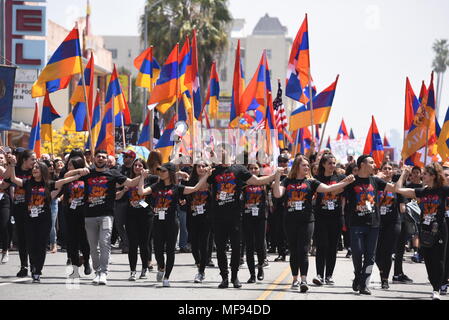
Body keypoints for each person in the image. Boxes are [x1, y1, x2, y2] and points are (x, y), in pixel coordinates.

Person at [273, 155, 354, 293]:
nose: (306, 167)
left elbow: (328, 189)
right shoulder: (287, 181)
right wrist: (276, 177)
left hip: (307, 220)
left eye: (307, 166)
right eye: (304, 165)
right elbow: (277, 194)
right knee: (294, 251)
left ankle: (304, 280)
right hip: (290, 221)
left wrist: (345, 182)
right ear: (297, 167)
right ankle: (295, 279)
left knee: (304, 250)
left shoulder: (311, 181)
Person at [208, 143, 281, 289]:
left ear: (228, 152)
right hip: (218, 216)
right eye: (216, 151)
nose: (217, 153)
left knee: (236, 247)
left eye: (219, 150)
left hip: (235, 215)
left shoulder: (239, 169)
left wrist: (275, 175)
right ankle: (224, 277)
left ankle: (234, 277)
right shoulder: (214, 171)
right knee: (221, 248)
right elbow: (201, 185)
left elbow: (257, 181)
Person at [66, 150, 141, 286]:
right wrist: (80, 170)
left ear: (107, 160)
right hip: (89, 215)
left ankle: (104, 273)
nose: (101, 159)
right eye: (98, 156)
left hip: (106, 215)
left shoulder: (113, 173)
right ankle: (97, 271)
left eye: (103, 157)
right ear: (94, 159)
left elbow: (130, 183)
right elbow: (66, 175)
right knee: (93, 247)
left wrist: (143, 176)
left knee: (104, 243)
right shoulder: (88, 173)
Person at [7, 157, 85, 282]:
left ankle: (37, 271)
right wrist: (12, 164)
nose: (34, 169)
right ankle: (33, 265)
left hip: (44, 220)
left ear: (43, 170)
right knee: (32, 245)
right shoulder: (27, 183)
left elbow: (63, 181)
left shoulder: (48, 184)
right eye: (33, 168)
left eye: (37, 168)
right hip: (29, 219)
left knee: (41, 245)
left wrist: (77, 176)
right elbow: (13, 179)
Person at [138, 162, 212, 287]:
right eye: (160, 171)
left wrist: (206, 176)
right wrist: (141, 177)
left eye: (163, 171)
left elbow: (195, 188)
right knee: (158, 250)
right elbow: (141, 192)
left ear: (170, 173)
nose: (161, 173)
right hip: (157, 222)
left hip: (172, 223)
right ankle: (161, 267)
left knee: (170, 251)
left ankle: (167, 277)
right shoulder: (156, 186)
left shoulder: (177, 188)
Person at [342, 155, 395, 295]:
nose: (374, 164)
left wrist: (402, 178)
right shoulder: (352, 181)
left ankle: (364, 284)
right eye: (371, 162)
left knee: (370, 255)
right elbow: (336, 192)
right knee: (358, 253)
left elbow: (395, 188)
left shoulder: (376, 180)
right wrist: (344, 182)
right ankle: (358, 276)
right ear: (362, 165)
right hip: (356, 224)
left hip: (374, 224)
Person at [395, 164, 448, 300]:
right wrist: (403, 174)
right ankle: (435, 284)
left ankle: (437, 288)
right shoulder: (422, 191)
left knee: (439, 260)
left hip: (440, 230)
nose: (422, 176)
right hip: (424, 231)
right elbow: (398, 189)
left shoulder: (443, 190)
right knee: (428, 261)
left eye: (425, 174)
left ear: (433, 176)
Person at [120, 158, 157, 281]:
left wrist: (142, 204)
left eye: (140, 165)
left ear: (144, 167)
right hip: (131, 215)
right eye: (135, 165)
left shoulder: (150, 178)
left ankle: (144, 269)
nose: (137, 167)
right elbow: (121, 196)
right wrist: (123, 191)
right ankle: (132, 271)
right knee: (132, 244)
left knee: (144, 244)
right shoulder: (129, 180)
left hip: (146, 215)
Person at [312, 153, 346, 286]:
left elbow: (344, 191)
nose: (332, 165)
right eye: (330, 163)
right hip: (321, 217)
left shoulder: (340, 177)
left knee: (332, 247)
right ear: (323, 164)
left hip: (336, 217)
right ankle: (319, 274)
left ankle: (329, 275)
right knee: (322, 246)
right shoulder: (317, 178)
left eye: (334, 163)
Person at [4, 149, 36, 277]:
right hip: (18, 209)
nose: (35, 162)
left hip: (34, 209)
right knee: (22, 239)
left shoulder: (36, 171)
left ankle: (34, 264)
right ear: (24, 160)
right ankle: (24, 266)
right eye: (32, 159)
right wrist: (11, 165)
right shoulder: (15, 169)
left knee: (32, 238)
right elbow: (5, 182)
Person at [374, 162, 404, 290]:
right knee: (376, 253)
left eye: (390, 169)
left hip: (393, 222)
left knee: (387, 252)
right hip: (377, 222)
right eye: (385, 168)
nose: (387, 170)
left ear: (393, 171)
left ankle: (385, 278)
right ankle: (381, 270)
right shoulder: (375, 184)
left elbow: (402, 208)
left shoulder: (396, 187)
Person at [62, 156, 92, 279]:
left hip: (83, 211)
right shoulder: (68, 177)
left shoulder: (86, 176)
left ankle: (86, 261)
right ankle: (75, 269)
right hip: (70, 212)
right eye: (68, 165)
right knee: (72, 242)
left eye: (70, 164)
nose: (68, 167)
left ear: (77, 164)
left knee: (84, 239)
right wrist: (77, 171)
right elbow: (65, 175)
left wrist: (83, 170)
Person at [185, 160, 212, 283]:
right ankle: (198, 263)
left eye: (203, 166)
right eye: (198, 166)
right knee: (194, 245)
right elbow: (184, 196)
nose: (201, 168)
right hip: (193, 216)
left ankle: (201, 272)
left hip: (207, 217)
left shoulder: (212, 182)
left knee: (203, 243)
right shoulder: (191, 182)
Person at [243, 162, 268, 283]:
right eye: (251, 168)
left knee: (260, 244)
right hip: (247, 217)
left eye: (256, 168)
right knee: (249, 246)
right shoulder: (243, 183)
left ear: (259, 170)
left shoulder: (264, 182)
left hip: (261, 217)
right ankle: (252, 274)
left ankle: (260, 268)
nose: (253, 170)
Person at [0, 152, 10, 264]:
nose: (0, 159)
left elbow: (6, 183)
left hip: (4, 200)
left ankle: (5, 250)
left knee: (3, 225)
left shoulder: (5, 170)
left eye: (1, 158)